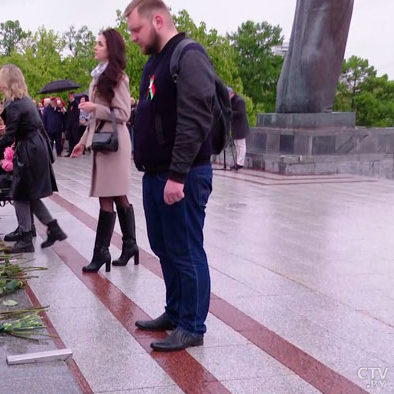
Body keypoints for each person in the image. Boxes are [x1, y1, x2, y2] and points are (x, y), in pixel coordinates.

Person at [125, 0, 216, 352]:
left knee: (186, 249)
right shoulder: (154, 61)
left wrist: (177, 176)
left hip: (184, 175)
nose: (133, 37)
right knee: (165, 248)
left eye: (137, 30)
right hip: (156, 174)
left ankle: (193, 326)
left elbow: (195, 120)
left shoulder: (188, 55)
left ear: (158, 20)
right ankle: (176, 312)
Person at [0, 64, 67, 253]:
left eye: (0, 78)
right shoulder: (24, 101)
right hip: (35, 148)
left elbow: (8, 138)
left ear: (8, 81)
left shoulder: (15, 105)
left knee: (20, 193)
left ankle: (26, 238)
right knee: (28, 194)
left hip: (30, 150)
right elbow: (13, 129)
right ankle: (52, 229)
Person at [71, 29, 136, 273]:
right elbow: (96, 118)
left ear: (111, 48)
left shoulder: (118, 77)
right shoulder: (98, 76)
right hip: (102, 140)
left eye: (100, 43)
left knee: (107, 196)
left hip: (114, 144)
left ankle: (102, 252)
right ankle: (129, 245)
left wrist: (94, 107)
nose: (95, 47)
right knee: (116, 195)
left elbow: (123, 114)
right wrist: (82, 140)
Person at [228, 88, 250, 170]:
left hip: (241, 126)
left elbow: (240, 113)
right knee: (236, 144)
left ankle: (240, 163)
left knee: (241, 144)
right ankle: (237, 162)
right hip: (235, 125)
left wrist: (230, 112)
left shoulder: (240, 101)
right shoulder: (231, 101)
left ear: (233, 93)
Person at [64, 92, 80, 157]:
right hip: (69, 125)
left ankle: (76, 152)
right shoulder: (69, 104)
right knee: (70, 139)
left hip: (74, 125)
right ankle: (70, 152)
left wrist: (72, 122)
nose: (68, 98)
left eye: (69, 96)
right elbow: (68, 114)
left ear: (72, 96)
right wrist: (65, 112)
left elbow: (76, 114)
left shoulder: (76, 104)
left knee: (75, 139)